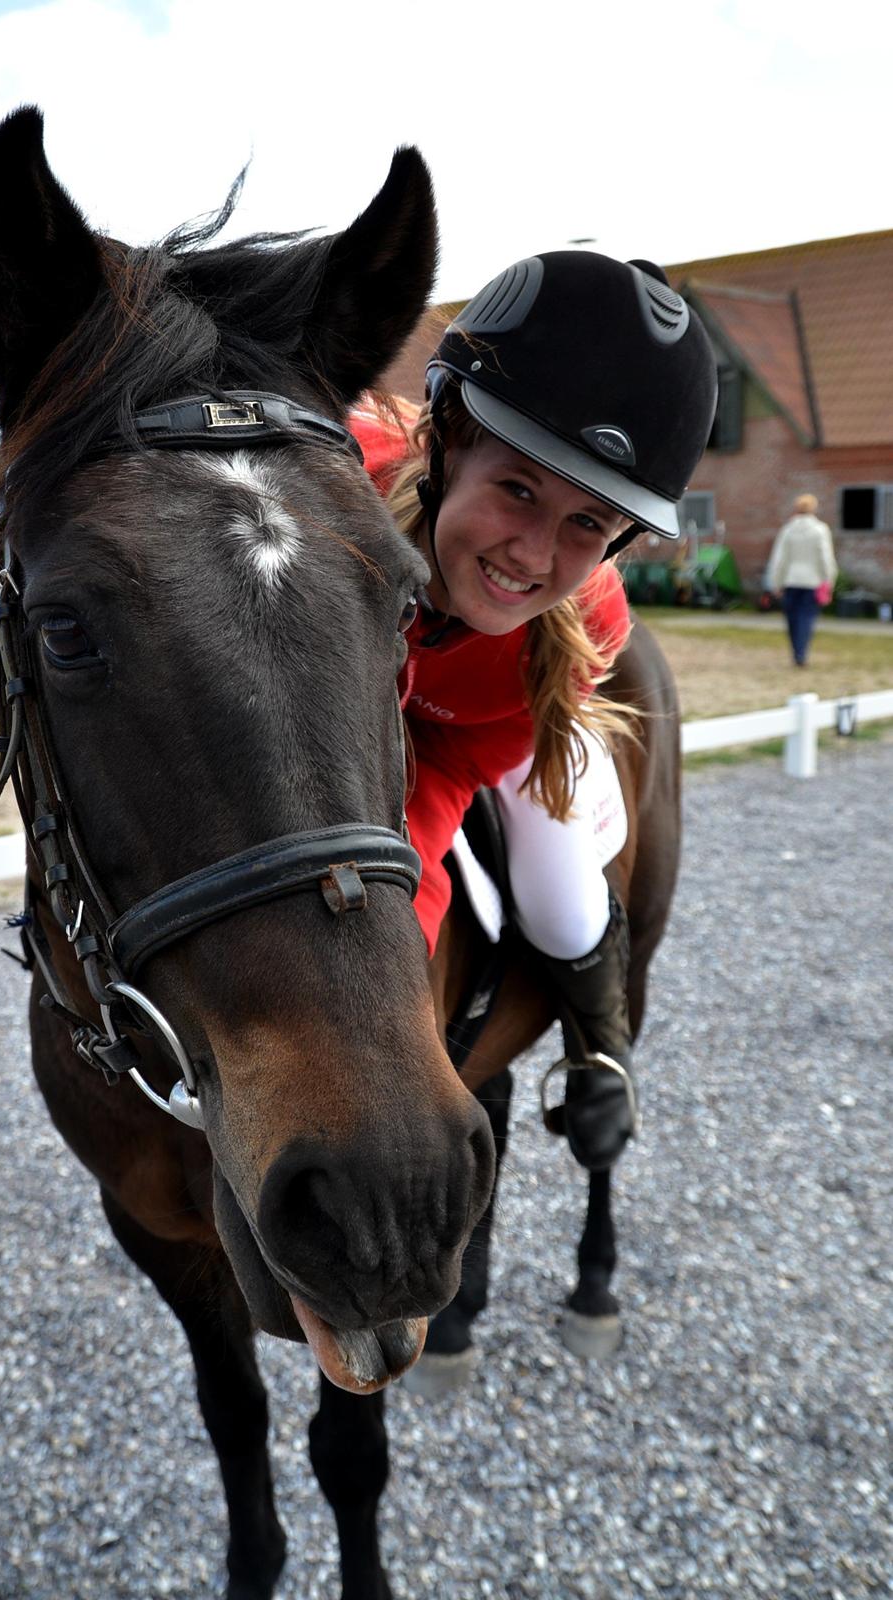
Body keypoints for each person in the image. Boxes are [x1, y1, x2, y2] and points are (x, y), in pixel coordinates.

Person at [352, 251, 717, 1172]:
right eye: (519, 489)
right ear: (445, 442)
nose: (534, 555)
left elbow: (440, 773)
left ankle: (603, 1051)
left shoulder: (579, 619)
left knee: (560, 900)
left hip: (471, 731)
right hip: (348, 691)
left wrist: (401, 936)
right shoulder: (339, 480)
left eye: (587, 526)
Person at [765, 493, 838, 666]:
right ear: (814, 508)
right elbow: (825, 558)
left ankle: (796, 651)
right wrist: (829, 580)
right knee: (806, 618)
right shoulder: (820, 530)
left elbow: (779, 559)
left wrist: (775, 582)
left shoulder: (788, 529)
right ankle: (801, 653)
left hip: (791, 580)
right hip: (812, 582)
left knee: (792, 619)